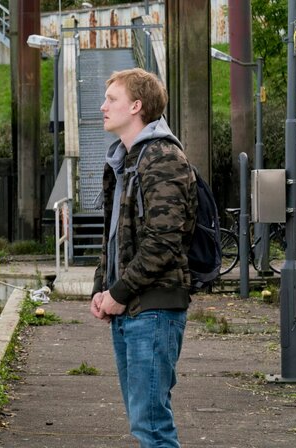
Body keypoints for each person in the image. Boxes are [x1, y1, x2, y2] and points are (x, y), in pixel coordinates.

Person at [90, 68, 197, 447]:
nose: (103, 107)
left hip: (154, 309)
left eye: (112, 99)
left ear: (136, 106)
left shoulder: (163, 157)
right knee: (144, 423)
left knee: (152, 426)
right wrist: (102, 288)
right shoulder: (126, 159)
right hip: (132, 308)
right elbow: (116, 234)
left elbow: (163, 242)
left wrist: (118, 293)